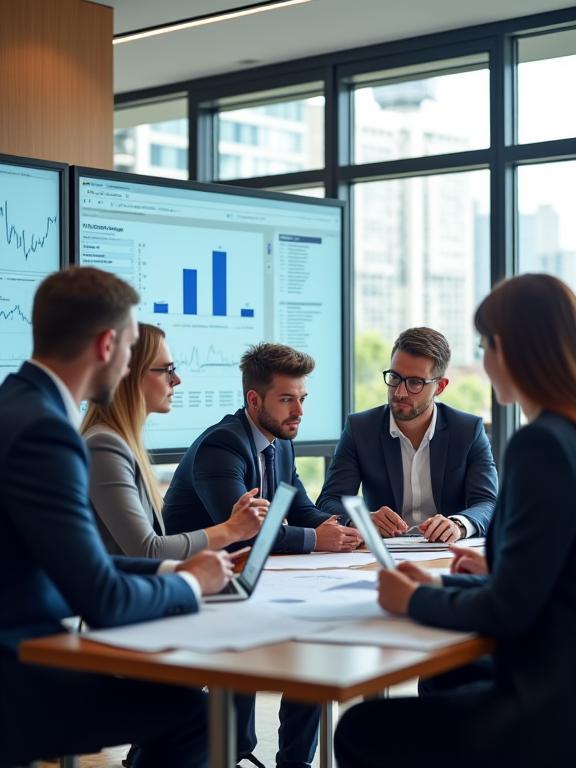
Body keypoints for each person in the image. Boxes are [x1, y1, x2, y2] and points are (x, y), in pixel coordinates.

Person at [334, 274, 576, 767]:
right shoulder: (565, 436)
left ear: (509, 350)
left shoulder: (541, 445)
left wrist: (416, 597)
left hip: (544, 705)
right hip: (560, 682)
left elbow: (508, 611)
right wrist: (487, 577)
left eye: (486, 345)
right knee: (446, 679)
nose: (484, 361)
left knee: (360, 728)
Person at [0, 267, 234, 768]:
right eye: (131, 350)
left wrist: (174, 572)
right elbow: (101, 596)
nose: (129, 363)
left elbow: (85, 560)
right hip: (13, 666)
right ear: (107, 346)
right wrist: (190, 588)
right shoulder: (47, 433)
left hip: (25, 642)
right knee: (193, 711)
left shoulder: (15, 404)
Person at [163, 342, 362, 768]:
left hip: (249, 581)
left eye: (303, 399)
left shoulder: (280, 442)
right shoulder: (222, 446)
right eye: (287, 399)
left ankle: (294, 763)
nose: (299, 411)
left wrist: (345, 530)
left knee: (315, 646)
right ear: (254, 400)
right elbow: (245, 531)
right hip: (198, 585)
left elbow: (301, 509)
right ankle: (198, 752)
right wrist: (314, 539)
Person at [81, 323, 266, 559]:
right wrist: (231, 529)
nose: (176, 380)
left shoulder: (120, 442)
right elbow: (148, 550)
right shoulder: (104, 446)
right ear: (130, 374)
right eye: (167, 369)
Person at [317, 327, 498, 542]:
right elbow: (329, 500)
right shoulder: (360, 429)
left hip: (447, 551)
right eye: (394, 377)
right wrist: (362, 519)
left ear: (440, 387)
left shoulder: (468, 430)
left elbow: (488, 503)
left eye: (415, 382)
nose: (400, 392)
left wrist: (458, 524)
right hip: (380, 554)